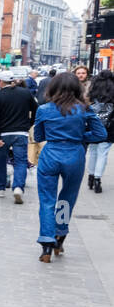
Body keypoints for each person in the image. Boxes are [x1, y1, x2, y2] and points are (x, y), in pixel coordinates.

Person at [34, 72, 108, 262]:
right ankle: (60, 234)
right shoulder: (84, 109)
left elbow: (39, 136)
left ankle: (46, 244)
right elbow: (101, 133)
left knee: (47, 200)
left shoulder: (43, 109)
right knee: (67, 198)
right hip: (74, 154)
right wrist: (80, 137)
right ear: (77, 88)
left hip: (51, 154)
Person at [0, 76, 37, 201]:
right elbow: (36, 109)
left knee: (1, 161)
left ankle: (0, 188)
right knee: (20, 161)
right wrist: (29, 124)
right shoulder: (25, 93)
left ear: (1, 81)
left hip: (3, 134)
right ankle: (18, 187)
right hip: (21, 133)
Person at [86, 69, 114, 193]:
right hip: (110, 125)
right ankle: (98, 178)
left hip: (94, 124)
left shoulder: (93, 88)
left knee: (93, 151)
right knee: (103, 153)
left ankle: (90, 176)